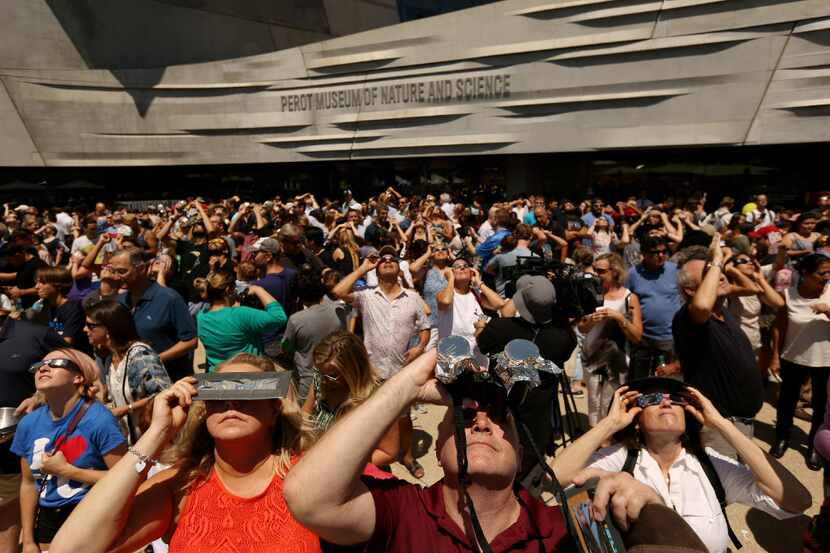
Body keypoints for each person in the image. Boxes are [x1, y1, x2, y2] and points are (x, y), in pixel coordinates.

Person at [284, 349, 708, 553]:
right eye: (465, 417)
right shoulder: (403, 512)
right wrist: (408, 386)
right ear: (438, 449)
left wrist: (652, 514)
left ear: (522, 453)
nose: (482, 420)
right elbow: (308, 497)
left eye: (498, 418)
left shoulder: (562, 530)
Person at [48, 353, 320, 553]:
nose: (231, 401)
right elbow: (71, 549)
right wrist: (157, 434)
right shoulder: (181, 485)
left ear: (274, 410)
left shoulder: (308, 477)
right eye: (217, 392)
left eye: (247, 391)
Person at [549, 379, 811, 553]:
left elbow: (797, 500)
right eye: (651, 400)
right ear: (636, 421)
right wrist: (610, 424)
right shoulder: (622, 459)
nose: (665, 402)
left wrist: (722, 425)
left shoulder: (711, 466)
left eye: (675, 399)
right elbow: (555, 478)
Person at [12, 348, 127, 552]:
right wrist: (29, 540)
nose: (44, 368)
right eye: (39, 365)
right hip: (48, 520)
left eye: (56, 363)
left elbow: (126, 479)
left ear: (78, 377)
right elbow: (29, 484)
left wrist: (69, 471)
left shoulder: (100, 420)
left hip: (91, 515)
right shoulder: (28, 424)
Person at [332, 246, 430, 479]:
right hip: (372, 371)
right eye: (382, 260)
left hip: (400, 371)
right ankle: (377, 457)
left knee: (404, 417)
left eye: (392, 259)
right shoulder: (366, 296)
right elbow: (338, 291)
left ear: (399, 269)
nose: (386, 261)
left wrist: (419, 347)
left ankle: (407, 456)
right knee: (371, 417)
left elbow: (425, 327)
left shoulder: (413, 298)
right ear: (376, 269)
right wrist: (363, 267)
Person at [673, 237, 764, 458]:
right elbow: (702, 305)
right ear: (691, 291)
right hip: (718, 427)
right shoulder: (687, 318)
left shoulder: (722, 311)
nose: (720, 275)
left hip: (740, 422)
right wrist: (716, 260)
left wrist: (721, 263)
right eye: (709, 274)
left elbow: (751, 288)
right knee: (723, 489)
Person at [477, 275, 577, 475]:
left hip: (501, 412)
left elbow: (483, 344)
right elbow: (566, 345)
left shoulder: (499, 328)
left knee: (499, 467)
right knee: (528, 469)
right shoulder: (563, 338)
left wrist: (481, 327)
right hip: (537, 419)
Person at [770, 253, 830, 469]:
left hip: (825, 361)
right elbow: (779, 328)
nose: (826, 277)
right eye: (821, 273)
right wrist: (775, 355)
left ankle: (815, 445)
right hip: (793, 357)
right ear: (805, 273)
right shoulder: (788, 295)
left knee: (821, 405)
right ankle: (782, 438)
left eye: (828, 272)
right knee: (787, 400)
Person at [303, 331, 398, 468]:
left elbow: (389, 452)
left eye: (332, 375)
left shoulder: (380, 397)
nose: (324, 380)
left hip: (357, 475)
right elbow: (304, 417)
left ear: (354, 370)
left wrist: (341, 469)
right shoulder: (321, 379)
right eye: (320, 372)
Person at [84, 300, 172, 443]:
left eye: (90, 325)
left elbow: (165, 393)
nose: (85, 330)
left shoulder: (140, 355)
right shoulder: (111, 358)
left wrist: (126, 409)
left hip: (154, 443)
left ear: (108, 328)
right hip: (132, 443)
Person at [111, 249, 197, 381]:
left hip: (171, 381)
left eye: (122, 271)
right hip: (134, 383)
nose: (116, 277)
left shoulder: (168, 298)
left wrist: (154, 360)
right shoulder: (120, 301)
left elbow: (190, 341)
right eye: (113, 271)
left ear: (141, 269)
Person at [578, 253, 643, 427]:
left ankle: (613, 442)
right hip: (591, 359)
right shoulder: (590, 294)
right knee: (593, 403)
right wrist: (591, 320)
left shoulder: (629, 298)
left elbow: (637, 335)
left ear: (614, 272)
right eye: (594, 270)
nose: (595, 274)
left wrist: (619, 317)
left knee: (612, 404)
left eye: (600, 271)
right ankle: (596, 443)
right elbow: (581, 328)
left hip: (617, 361)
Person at [194, 271, 286, 372]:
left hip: (217, 374)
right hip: (247, 374)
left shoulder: (201, 317)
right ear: (229, 289)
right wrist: (258, 290)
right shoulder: (241, 314)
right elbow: (279, 317)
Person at [281, 268, 347, 399]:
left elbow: (286, 348)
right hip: (337, 378)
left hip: (308, 382)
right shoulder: (339, 311)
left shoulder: (296, 320)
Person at [625, 235, 682, 381]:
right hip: (643, 340)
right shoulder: (632, 274)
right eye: (655, 253)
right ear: (643, 254)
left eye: (664, 251)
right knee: (640, 383)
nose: (661, 256)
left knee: (668, 384)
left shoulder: (675, 270)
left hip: (670, 339)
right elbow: (626, 302)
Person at [32, 267, 90, 353]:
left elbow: (66, 343)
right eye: (37, 283)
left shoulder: (74, 308)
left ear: (58, 285)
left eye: (43, 283)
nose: (36, 287)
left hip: (72, 357)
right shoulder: (46, 305)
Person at [485, 223, 536, 296]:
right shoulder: (535, 257)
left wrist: (500, 273)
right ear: (531, 236)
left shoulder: (501, 255)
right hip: (526, 299)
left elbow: (488, 269)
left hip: (503, 299)